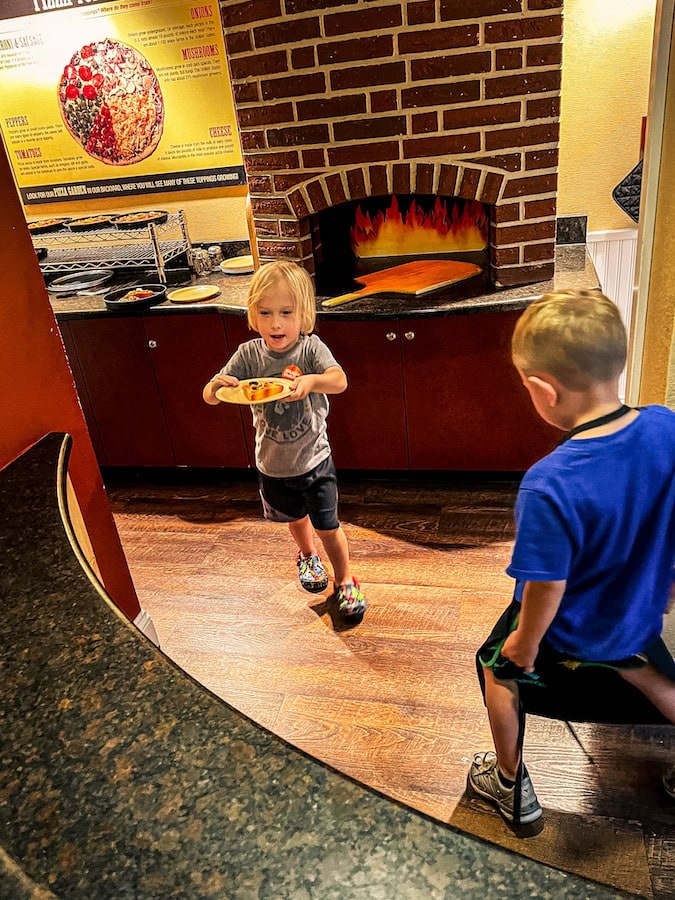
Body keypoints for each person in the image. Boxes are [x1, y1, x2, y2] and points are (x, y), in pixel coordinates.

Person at [469, 289, 675, 825]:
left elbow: (547, 587)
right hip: (636, 616)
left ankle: (511, 786)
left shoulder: (549, 484)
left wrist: (525, 643)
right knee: (653, 676)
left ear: (543, 391)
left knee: (494, 670)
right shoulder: (666, 427)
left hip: (570, 630)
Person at [202, 259, 367, 619]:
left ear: (303, 314)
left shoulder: (310, 349)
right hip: (273, 465)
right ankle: (307, 557)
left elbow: (339, 381)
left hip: (314, 460)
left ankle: (345, 580)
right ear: (253, 314)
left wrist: (311, 382)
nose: (275, 323)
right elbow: (209, 396)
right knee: (295, 519)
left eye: (286, 312)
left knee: (329, 525)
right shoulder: (248, 354)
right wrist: (217, 385)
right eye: (265, 313)